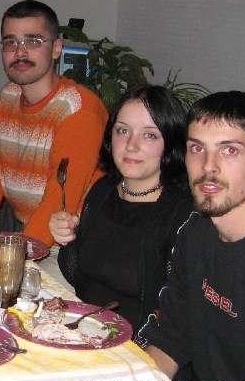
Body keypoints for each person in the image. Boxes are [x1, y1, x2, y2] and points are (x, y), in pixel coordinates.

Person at [23, 91, 245, 381]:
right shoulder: (197, 232)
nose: (208, 166)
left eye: (229, 150)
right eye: (197, 148)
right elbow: (170, 337)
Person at [51, 84, 194, 331]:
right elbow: (78, 274)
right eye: (122, 130)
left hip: (137, 345)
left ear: (171, 142)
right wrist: (69, 237)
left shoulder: (182, 214)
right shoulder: (103, 190)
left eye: (149, 135)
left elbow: (180, 317)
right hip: (82, 328)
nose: (131, 144)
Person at [0, 0, 108, 246]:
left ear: (56, 48)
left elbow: (59, 202)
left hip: (73, 242)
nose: (20, 53)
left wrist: (18, 256)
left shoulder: (78, 109)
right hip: (28, 230)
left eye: (33, 41)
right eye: (10, 42)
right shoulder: (7, 96)